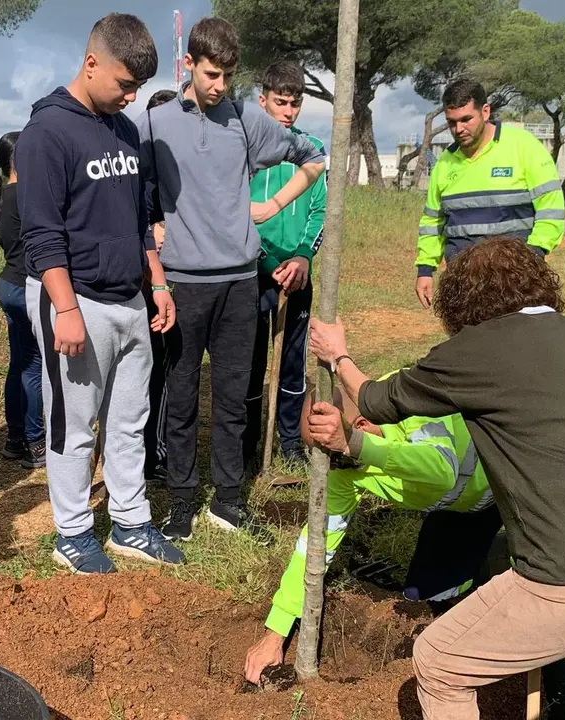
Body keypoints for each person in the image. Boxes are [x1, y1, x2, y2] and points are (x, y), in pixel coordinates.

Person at [311, 237, 565, 720]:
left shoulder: (476, 349)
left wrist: (338, 358)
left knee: (441, 662)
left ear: (461, 304)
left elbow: (377, 401)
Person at [138, 17, 326, 543]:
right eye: (211, 74)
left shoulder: (246, 118)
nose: (220, 86)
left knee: (231, 398)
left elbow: (312, 158)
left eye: (228, 76)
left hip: (241, 283)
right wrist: (151, 234)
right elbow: (136, 190)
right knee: (180, 398)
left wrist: (272, 203)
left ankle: (227, 502)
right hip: (181, 285)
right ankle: (180, 503)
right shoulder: (155, 125)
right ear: (190, 65)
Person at [16, 13, 184, 575]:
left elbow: (139, 220)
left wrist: (155, 281)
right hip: (75, 299)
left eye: (138, 87)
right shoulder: (47, 134)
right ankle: (72, 532)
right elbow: (40, 234)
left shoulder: (126, 130)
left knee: (129, 418)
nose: (132, 97)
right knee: (73, 422)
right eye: (124, 84)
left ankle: (132, 523)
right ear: (91, 64)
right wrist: (64, 309)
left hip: (129, 299)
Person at [244, 381, 500, 684]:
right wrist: (275, 633)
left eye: (335, 455)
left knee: (522, 586)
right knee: (423, 602)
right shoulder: (342, 472)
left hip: (508, 490)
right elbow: (314, 545)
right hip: (455, 512)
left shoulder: (415, 395)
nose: (333, 469)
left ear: (360, 427)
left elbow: (442, 471)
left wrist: (360, 447)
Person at [415, 78, 564, 310]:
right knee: (470, 344)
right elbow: (433, 221)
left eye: (466, 119)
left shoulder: (523, 146)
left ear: (485, 111)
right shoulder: (445, 163)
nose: (459, 129)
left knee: (517, 343)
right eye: (452, 122)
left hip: (515, 280)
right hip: (464, 282)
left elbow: (550, 208)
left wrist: (533, 256)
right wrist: (425, 269)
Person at [244, 60, 326, 473]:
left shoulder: (309, 150)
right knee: (252, 362)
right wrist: (272, 262)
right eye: (281, 102)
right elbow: (238, 214)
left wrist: (301, 258)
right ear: (263, 101)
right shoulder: (245, 149)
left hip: (298, 275)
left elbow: (319, 211)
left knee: (293, 361)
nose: (288, 112)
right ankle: (248, 443)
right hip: (256, 274)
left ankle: (290, 441)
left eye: (295, 103)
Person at [0, 131, 45, 470]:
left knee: (19, 364)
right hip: (27, 290)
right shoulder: (30, 195)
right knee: (34, 368)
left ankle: (15, 437)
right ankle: (36, 443)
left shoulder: (5, 195)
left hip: (8, 286)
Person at [141, 88, 177, 484]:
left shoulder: (180, 171)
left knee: (166, 373)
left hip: (175, 284)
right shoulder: (136, 170)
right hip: (145, 286)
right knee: (150, 373)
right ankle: (150, 454)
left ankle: (157, 451)